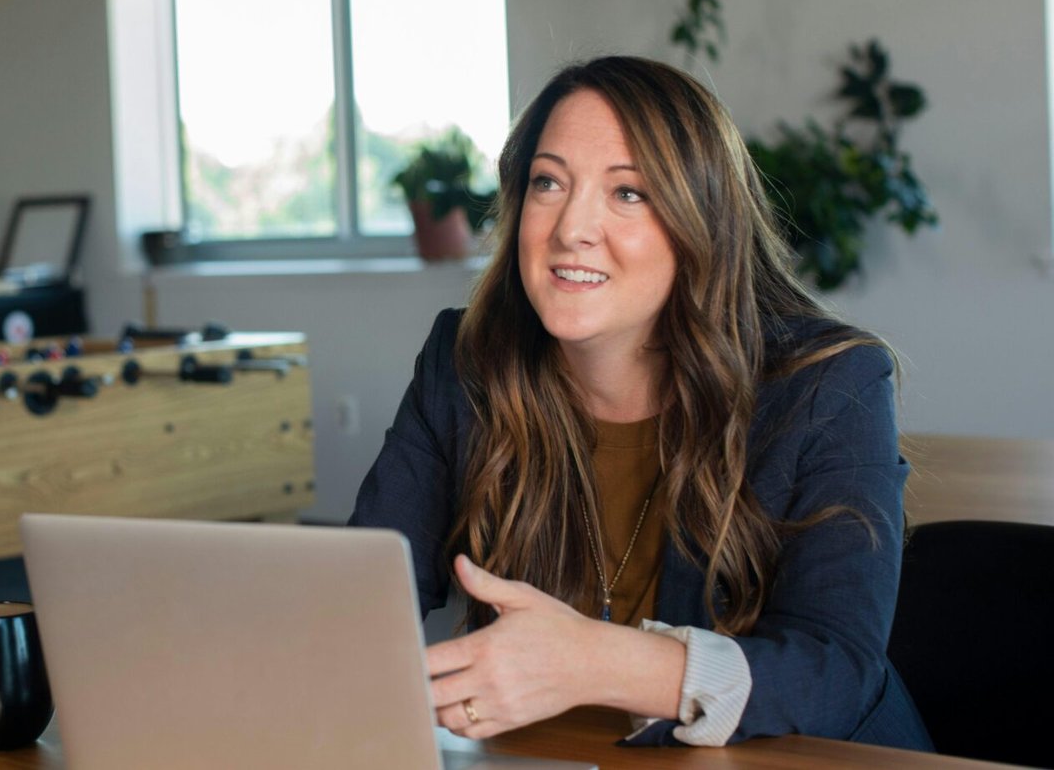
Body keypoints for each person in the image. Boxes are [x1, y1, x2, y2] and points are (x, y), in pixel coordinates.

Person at [348, 56, 932, 749]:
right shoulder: (466, 359)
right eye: (548, 182)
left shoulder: (829, 386)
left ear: (702, 221)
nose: (571, 228)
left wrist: (593, 662)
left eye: (629, 193)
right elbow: (362, 595)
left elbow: (836, 674)